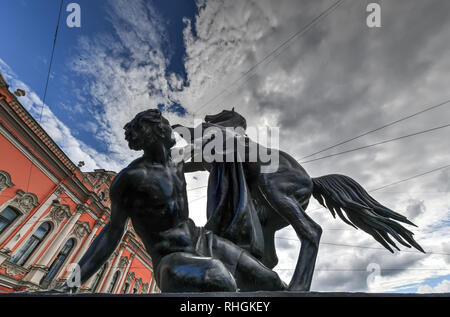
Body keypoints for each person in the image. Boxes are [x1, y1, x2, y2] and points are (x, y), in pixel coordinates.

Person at [61, 109, 286, 293]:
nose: (173, 129)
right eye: (167, 125)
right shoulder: (130, 179)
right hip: (172, 259)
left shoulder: (177, 160)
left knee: (270, 281)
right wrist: (71, 285)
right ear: (155, 131)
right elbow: (112, 232)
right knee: (218, 277)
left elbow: (207, 146)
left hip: (202, 241)